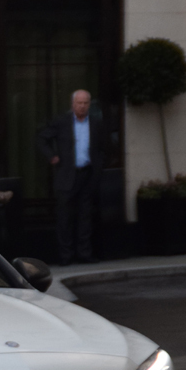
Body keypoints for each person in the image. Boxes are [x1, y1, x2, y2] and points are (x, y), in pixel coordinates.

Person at [37, 89, 107, 265]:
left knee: (85, 216)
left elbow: (104, 146)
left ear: (89, 105)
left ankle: (84, 253)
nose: (82, 106)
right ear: (73, 104)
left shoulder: (96, 123)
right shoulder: (62, 122)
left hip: (88, 174)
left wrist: (99, 165)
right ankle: (65, 256)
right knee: (65, 217)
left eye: (85, 103)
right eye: (79, 103)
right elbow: (41, 138)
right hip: (67, 175)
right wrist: (52, 156)